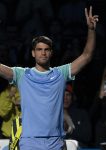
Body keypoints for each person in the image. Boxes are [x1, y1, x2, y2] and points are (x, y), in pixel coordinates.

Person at [0, 6, 98, 150]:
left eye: (46, 50)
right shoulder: (21, 75)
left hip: (55, 143)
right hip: (29, 142)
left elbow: (87, 55)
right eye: (39, 49)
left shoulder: (61, 73)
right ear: (33, 53)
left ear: (51, 53)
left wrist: (91, 29)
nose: (43, 53)